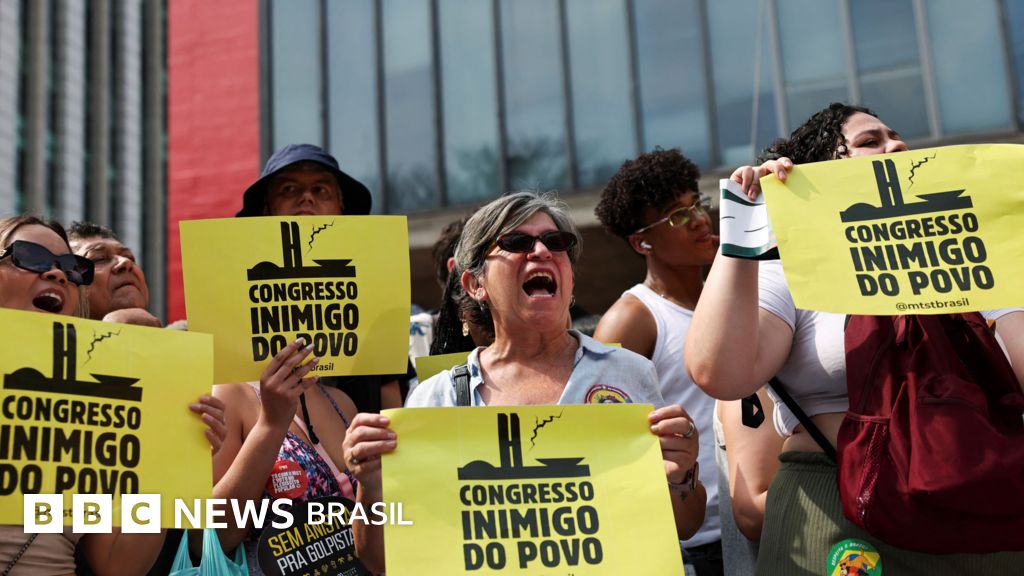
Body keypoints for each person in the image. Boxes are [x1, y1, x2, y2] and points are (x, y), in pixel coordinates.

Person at [686, 102, 1024, 575]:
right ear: (822, 171)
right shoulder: (791, 267)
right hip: (835, 521)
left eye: (896, 136)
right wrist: (747, 229)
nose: (897, 145)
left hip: (984, 519)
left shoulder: (968, 257)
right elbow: (718, 371)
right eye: (870, 142)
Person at [342, 192, 707, 573]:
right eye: (517, 242)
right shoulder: (437, 398)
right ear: (474, 284)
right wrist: (372, 490)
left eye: (556, 242)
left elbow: (684, 525)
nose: (541, 251)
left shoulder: (628, 373)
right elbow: (381, 561)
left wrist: (682, 473)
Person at [0, 216, 225, 576]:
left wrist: (167, 450)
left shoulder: (86, 405)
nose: (57, 274)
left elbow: (120, 565)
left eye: (71, 269)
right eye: (30, 257)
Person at [592, 148, 723, 575]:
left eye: (697, 204)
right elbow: (607, 448)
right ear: (641, 241)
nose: (700, 219)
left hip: (770, 516)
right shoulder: (630, 320)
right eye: (677, 216)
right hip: (697, 545)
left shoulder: (733, 292)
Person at [237, 143, 411, 413]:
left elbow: (391, 407)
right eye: (289, 189)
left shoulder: (376, 303)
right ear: (265, 209)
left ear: (341, 209)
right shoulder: (233, 299)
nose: (306, 198)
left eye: (320, 190)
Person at [67, 222, 160, 327]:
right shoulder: (46, 341)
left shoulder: (181, 335)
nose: (126, 262)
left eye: (129, 257)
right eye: (99, 258)